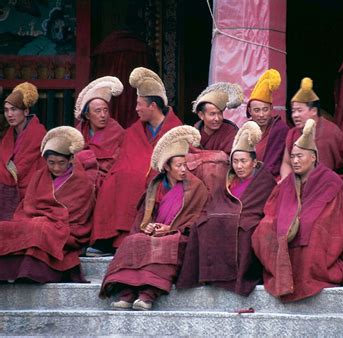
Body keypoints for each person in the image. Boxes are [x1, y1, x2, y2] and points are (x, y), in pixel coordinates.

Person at [99, 126, 208, 310]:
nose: (184, 169)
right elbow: (144, 216)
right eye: (178, 165)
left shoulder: (196, 187)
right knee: (133, 241)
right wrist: (147, 227)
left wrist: (171, 229)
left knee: (167, 245)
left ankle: (148, 294)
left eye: (185, 164)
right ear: (166, 166)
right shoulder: (155, 186)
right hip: (155, 233)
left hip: (179, 235)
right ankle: (127, 292)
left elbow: (199, 217)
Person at [252, 119, 343, 302]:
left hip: (319, 230)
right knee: (263, 229)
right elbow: (272, 208)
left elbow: (335, 217)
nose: (294, 161)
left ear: (313, 157)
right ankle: (282, 278)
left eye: (299, 156)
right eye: (292, 157)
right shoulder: (287, 183)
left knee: (311, 230)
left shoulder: (330, 181)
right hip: (290, 230)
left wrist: (303, 220)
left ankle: (301, 281)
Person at [89, 67, 182, 255]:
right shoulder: (134, 130)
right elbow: (124, 157)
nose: (136, 109)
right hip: (134, 174)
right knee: (113, 181)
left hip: (162, 175)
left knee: (137, 181)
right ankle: (109, 238)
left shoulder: (175, 128)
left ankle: (125, 239)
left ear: (152, 106)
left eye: (140, 104)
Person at [177, 121, 276, 296]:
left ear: (254, 162)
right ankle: (208, 276)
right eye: (235, 161)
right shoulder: (229, 179)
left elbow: (261, 206)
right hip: (226, 214)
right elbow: (217, 200)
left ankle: (235, 278)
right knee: (203, 224)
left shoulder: (265, 180)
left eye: (243, 161)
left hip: (249, 217)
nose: (239, 166)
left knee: (244, 229)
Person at [0, 126, 95, 283]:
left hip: (66, 227)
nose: (56, 168)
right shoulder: (39, 176)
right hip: (38, 221)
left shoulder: (81, 181)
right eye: (51, 163)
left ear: (71, 159)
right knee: (6, 227)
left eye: (61, 163)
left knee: (40, 228)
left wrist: (46, 218)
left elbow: (77, 213)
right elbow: (28, 205)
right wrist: (37, 218)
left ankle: (31, 272)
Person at [280, 78, 343, 180]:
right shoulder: (292, 133)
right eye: (293, 111)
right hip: (296, 182)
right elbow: (286, 163)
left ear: (314, 111)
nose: (295, 115)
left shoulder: (329, 132)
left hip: (324, 183)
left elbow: (325, 170)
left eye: (299, 110)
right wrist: (286, 181)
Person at [0, 82, 46, 221]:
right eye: (6, 110)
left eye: (14, 109)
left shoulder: (38, 133)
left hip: (30, 188)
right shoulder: (8, 134)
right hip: (8, 185)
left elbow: (23, 166)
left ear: (25, 112)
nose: (9, 114)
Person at [75, 76, 125, 188]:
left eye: (105, 110)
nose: (103, 115)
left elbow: (119, 161)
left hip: (108, 182)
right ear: (87, 115)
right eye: (98, 111)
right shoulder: (79, 132)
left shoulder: (116, 131)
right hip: (82, 180)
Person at [247, 69, 289, 177]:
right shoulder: (246, 129)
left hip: (272, 178)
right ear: (249, 111)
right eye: (257, 110)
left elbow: (278, 164)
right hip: (247, 175)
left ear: (271, 109)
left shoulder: (280, 129)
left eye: (265, 109)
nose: (261, 114)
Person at [193, 82, 241, 155]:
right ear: (201, 115)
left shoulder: (230, 131)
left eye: (220, 113)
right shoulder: (194, 132)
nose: (217, 118)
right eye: (212, 114)